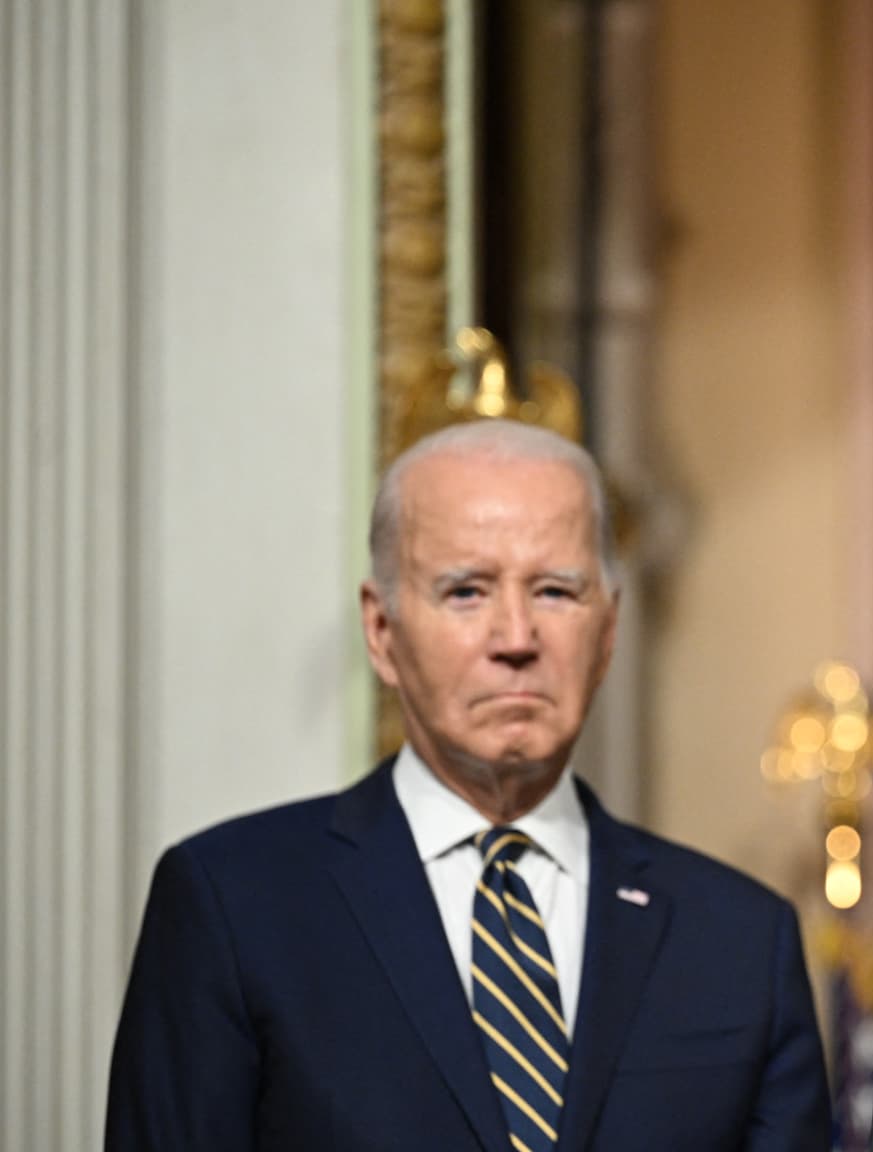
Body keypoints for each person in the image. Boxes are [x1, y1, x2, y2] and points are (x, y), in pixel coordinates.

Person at [107, 420, 830, 1150]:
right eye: (466, 592)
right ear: (382, 631)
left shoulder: (739, 943)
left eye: (555, 591)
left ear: (608, 631)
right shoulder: (235, 907)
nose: (515, 638)